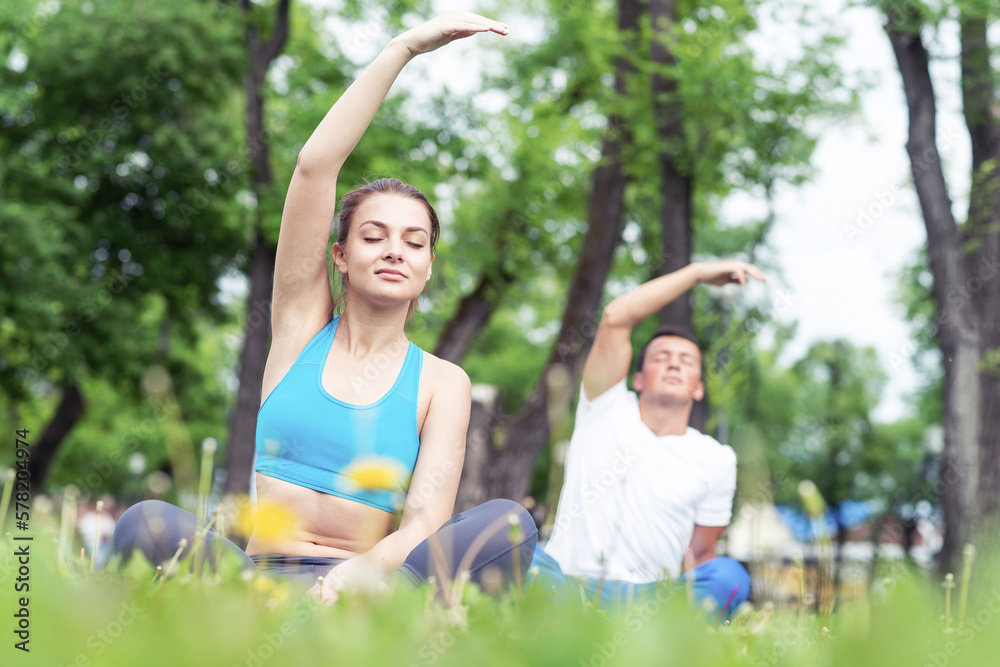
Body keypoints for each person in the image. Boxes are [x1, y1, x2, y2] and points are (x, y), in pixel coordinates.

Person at [112, 13, 537, 603]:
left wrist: (352, 579)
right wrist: (403, 48)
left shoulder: (444, 382)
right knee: (144, 523)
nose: (395, 250)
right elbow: (316, 167)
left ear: (429, 266)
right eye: (374, 236)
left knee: (507, 525)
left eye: (415, 242)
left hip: (365, 592)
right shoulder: (296, 329)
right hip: (255, 586)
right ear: (339, 254)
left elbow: (423, 522)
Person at [530, 260, 765, 616]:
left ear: (699, 387)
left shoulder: (717, 458)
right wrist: (697, 273)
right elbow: (616, 318)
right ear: (638, 379)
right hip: (565, 586)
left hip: (649, 604)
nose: (673, 364)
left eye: (686, 361)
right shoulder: (603, 406)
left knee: (729, 576)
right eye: (661, 357)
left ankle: (661, 638)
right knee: (505, 532)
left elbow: (701, 555)